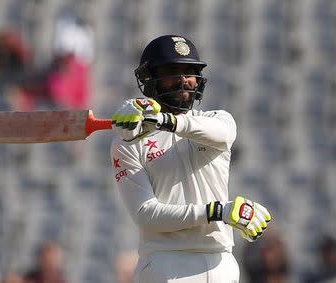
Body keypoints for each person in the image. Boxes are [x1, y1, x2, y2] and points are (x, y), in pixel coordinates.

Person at [110, 35, 272, 283]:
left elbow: (222, 133)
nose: (183, 80)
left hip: (221, 263)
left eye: (189, 72)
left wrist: (166, 121)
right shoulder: (128, 139)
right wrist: (217, 211)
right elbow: (146, 214)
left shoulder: (219, 120)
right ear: (148, 78)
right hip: (166, 263)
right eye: (172, 71)